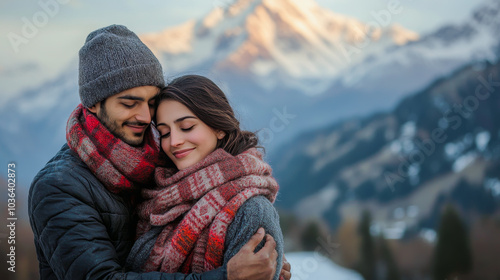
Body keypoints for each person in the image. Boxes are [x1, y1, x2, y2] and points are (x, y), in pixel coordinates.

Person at [28, 24, 290, 280]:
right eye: (129, 103)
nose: (144, 117)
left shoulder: (162, 170)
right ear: (94, 103)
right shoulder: (58, 186)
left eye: (151, 103)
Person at [126, 75, 285, 280]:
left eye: (186, 127)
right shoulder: (158, 199)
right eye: (164, 133)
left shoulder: (251, 211)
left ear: (218, 127)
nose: (174, 141)